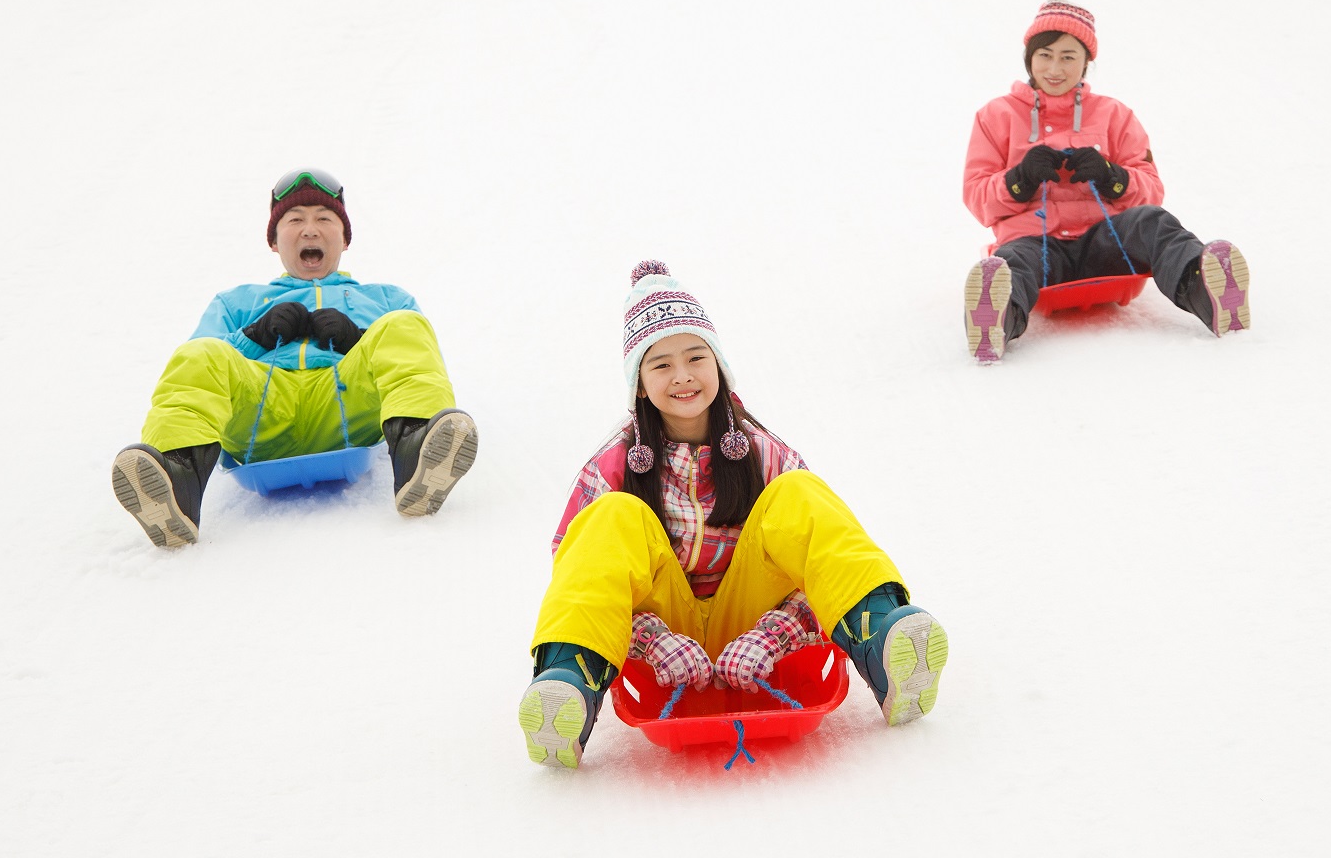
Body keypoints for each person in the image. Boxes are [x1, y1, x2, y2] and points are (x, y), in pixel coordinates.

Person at [518, 261, 948, 768]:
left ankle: (883, 641)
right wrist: (653, 642)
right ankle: (569, 686)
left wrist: (774, 634)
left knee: (801, 494)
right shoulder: (612, 465)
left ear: (719, 365)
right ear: (638, 385)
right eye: (660, 365)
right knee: (609, 516)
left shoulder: (763, 454)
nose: (682, 376)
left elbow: (819, 561)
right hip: (666, 623)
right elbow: (578, 570)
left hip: (753, 615)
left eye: (696, 357)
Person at [110, 168, 477, 547]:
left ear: (345, 237)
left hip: (348, 403)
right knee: (199, 353)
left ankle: (418, 451)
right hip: (262, 410)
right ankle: (177, 477)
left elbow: (419, 360)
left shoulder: (387, 300)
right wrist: (254, 336)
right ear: (274, 240)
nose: (310, 229)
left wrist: (357, 338)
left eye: (324, 218)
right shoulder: (236, 302)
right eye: (295, 219)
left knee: (404, 326)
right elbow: (195, 366)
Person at [961, 0, 1251, 362]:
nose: (1055, 69)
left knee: (1153, 222)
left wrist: (1113, 177)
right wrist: (1019, 179)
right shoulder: (995, 116)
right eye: (1045, 55)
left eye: (1069, 57)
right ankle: (996, 320)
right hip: (1035, 243)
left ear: (1086, 63)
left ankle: (1209, 292)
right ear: (1029, 59)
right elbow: (976, 196)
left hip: (1106, 241)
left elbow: (1152, 189)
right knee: (1012, 261)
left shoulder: (1115, 115)